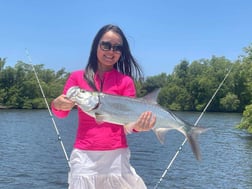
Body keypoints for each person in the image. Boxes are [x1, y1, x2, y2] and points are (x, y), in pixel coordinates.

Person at [51, 24, 156, 189]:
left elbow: (130, 123)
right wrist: (57, 104)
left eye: (117, 48)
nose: (111, 51)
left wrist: (141, 126)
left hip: (117, 155)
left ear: (122, 52)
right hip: (84, 155)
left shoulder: (125, 81)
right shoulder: (77, 77)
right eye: (106, 45)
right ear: (96, 45)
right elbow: (61, 114)